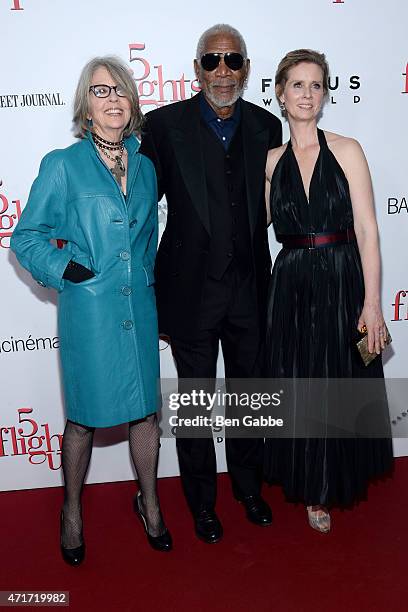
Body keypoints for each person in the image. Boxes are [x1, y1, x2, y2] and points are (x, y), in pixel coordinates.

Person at [10, 56, 172, 564]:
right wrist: (67, 270)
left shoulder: (145, 166)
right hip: (90, 312)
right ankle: (72, 510)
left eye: (120, 90)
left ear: (132, 101)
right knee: (82, 419)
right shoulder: (63, 165)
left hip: (137, 307)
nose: (113, 100)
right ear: (86, 105)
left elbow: (147, 237)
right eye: (101, 92)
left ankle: (148, 501)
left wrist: (144, 279)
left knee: (146, 413)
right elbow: (26, 237)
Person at [140, 24, 282, 543]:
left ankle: (248, 487)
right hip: (191, 291)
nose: (222, 71)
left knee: (251, 396)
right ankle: (202, 502)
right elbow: (133, 203)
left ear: (245, 68)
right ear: (196, 68)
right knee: (196, 402)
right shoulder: (161, 127)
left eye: (233, 60)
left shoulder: (267, 127)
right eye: (212, 60)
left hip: (249, 288)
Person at [264, 49, 393, 532]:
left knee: (337, 377)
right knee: (301, 381)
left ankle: (328, 482)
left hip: (341, 277)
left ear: (325, 95)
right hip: (292, 281)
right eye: (297, 85)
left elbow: (368, 231)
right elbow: (254, 225)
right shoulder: (271, 162)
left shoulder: (347, 149)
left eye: (316, 86)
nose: (306, 94)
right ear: (280, 92)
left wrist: (373, 303)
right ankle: (311, 486)